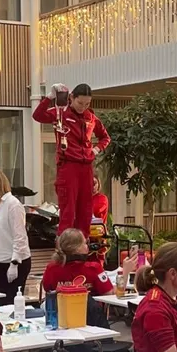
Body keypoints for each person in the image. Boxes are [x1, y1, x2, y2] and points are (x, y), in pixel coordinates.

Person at [32, 83, 110, 237]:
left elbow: (105, 137)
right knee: (68, 210)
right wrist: (50, 97)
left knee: (85, 210)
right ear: (71, 98)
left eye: (87, 104)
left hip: (86, 167)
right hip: (68, 166)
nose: (83, 107)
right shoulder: (61, 113)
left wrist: (95, 150)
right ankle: (65, 249)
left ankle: (83, 245)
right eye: (80, 103)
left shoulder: (91, 117)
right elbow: (37, 116)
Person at [0, 168, 31, 304]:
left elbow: (19, 236)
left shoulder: (13, 205)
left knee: (11, 302)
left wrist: (14, 263)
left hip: (15, 262)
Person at [42, 228, 135, 297]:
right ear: (77, 248)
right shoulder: (93, 268)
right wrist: (125, 272)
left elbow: (47, 290)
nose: (88, 246)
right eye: (85, 243)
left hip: (60, 316)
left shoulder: (51, 268)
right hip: (89, 317)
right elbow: (112, 293)